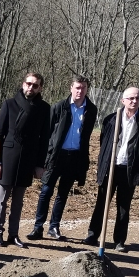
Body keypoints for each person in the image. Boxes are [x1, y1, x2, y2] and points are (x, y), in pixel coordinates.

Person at [84, 86, 139, 252]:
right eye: (130, 98)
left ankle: (119, 240)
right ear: (123, 100)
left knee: (124, 206)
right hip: (110, 167)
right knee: (102, 202)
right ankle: (92, 234)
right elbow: (104, 142)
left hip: (129, 169)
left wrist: (135, 158)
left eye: (137, 98)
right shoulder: (111, 119)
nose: (134, 101)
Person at [28, 74, 97, 241]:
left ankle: (54, 226)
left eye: (83, 88)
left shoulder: (91, 110)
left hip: (74, 157)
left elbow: (87, 135)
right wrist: (44, 157)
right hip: (56, 156)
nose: (80, 91)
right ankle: (38, 227)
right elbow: (47, 134)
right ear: (71, 88)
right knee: (46, 191)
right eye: (77, 87)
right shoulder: (59, 107)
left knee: (63, 193)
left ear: (87, 89)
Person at [0, 72, 51, 248]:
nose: (31, 88)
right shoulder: (9, 104)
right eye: (28, 84)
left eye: (35, 85)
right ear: (23, 84)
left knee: (18, 201)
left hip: (28, 159)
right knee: (2, 198)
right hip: (8, 156)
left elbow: (44, 139)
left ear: (40, 88)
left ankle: (13, 234)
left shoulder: (44, 108)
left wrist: (40, 165)